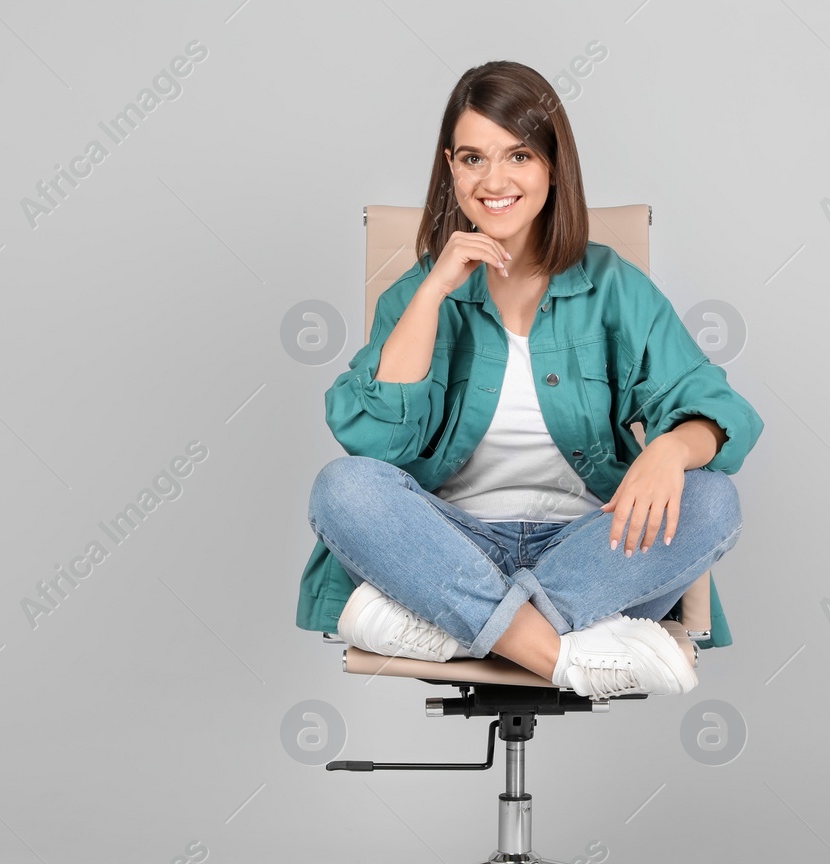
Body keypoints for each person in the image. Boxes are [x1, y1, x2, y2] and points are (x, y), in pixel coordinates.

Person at [297, 60, 764, 698]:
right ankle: (564, 658)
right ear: (450, 167)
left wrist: (670, 449)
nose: (494, 180)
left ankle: (460, 627)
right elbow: (376, 448)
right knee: (342, 488)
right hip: (453, 549)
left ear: (552, 165)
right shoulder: (416, 296)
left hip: (593, 553)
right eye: (472, 159)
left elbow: (714, 407)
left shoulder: (612, 284)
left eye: (518, 155)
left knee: (712, 499)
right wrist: (434, 290)